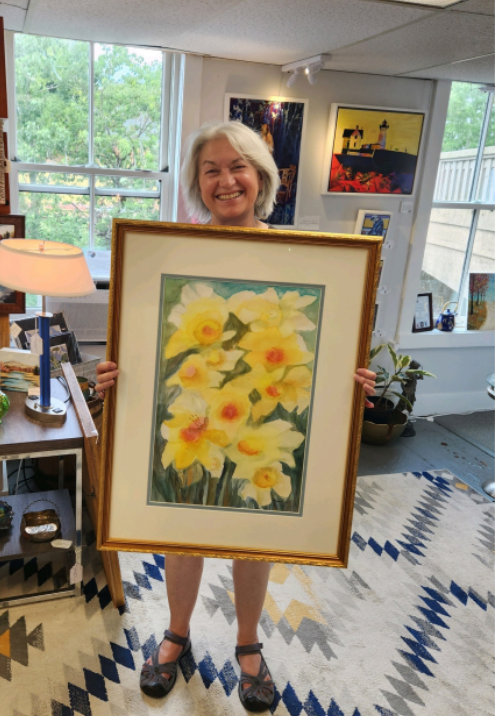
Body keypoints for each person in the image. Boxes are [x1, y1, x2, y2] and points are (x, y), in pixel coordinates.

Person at [95, 121, 377, 712]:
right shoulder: (167, 254)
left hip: (260, 403)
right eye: (211, 170)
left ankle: (248, 643)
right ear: (199, 184)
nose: (226, 180)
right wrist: (120, 376)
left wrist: (345, 383)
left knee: (256, 530)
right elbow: (148, 345)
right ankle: (176, 632)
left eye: (238, 166)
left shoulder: (302, 257)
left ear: (261, 176)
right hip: (203, 408)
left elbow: (319, 347)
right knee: (183, 528)